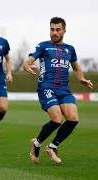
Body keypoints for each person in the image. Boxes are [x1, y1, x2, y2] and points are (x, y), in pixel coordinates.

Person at [23, 17, 93, 164]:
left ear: (64, 31)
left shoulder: (70, 49)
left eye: (57, 30)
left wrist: (81, 79)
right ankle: (36, 143)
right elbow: (29, 59)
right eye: (52, 29)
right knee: (56, 119)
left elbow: (76, 68)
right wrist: (27, 66)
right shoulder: (43, 46)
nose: (54, 32)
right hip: (46, 87)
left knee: (73, 119)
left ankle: (52, 147)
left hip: (64, 89)